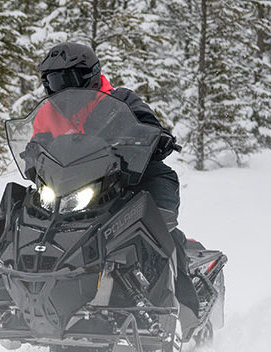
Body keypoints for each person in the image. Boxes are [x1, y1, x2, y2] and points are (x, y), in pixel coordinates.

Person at [34, 41, 198, 315]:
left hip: (134, 179)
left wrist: (157, 138)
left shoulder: (120, 101)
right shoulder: (47, 113)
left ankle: (184, 307)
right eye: (53, 80)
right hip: (75, 188)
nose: (60, 88)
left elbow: (147, 123)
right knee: (30, 217)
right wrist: (32, 157)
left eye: (67, 79)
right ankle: (19, 292)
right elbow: (37, 145)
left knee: (160, 225)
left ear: (89, 75)